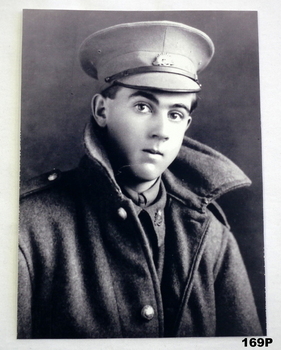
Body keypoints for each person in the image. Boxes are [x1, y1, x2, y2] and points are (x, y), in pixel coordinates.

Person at [18, 20, 263, 338]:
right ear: (102, 110)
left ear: (186, 124)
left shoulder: (211, 237)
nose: (161, 131)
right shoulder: (29, 227)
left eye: (175, 114)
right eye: (143, 106)